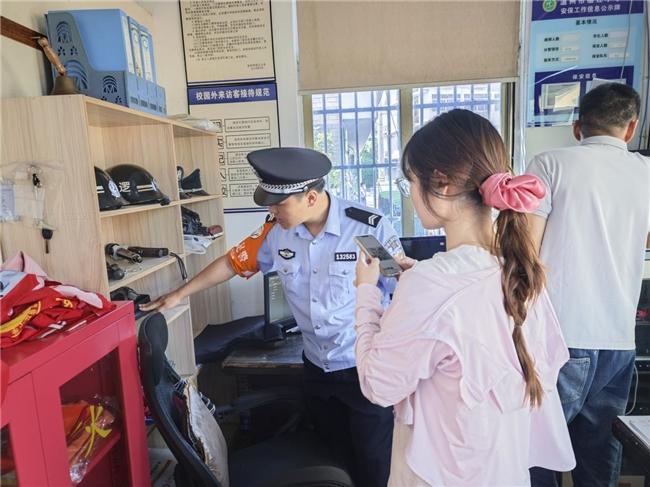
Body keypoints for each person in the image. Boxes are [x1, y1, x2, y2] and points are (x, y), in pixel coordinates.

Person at [142, 147, 405, 487]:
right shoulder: (275, 233)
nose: (271, 210)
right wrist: (178, 294)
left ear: (311, 197)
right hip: (317, 370)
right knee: (333, 461)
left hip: (363, 370)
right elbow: (231, 263)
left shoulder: (367, 229)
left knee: (375, 465)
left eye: (279, 204)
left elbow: (401, 289)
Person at [352, 109, 576, 486]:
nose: (410, 194)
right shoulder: (518, 270)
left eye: (410, 182)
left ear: (442, 184)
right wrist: (417, 283)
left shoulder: (430, 285)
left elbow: (377, 385)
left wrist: (365, 293)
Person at [526, 83, 650, 487]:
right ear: (630, 128)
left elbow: (525, 252)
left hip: (559, 338)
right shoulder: (646, 173)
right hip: (618, 342)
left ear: (578, 127)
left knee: (537, 454)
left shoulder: (549, 164)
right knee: (598, 462)